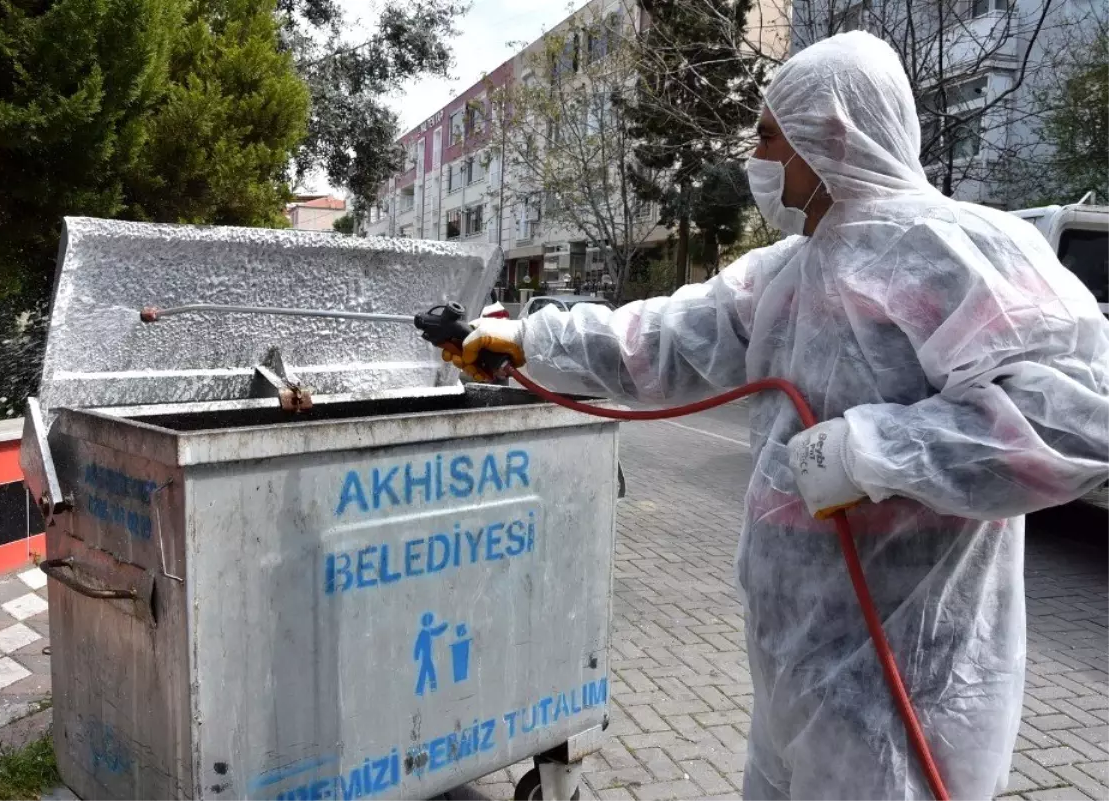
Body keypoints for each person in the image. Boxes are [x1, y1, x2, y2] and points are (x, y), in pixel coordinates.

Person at [437, 31, 1109, 800]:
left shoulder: (963, 250)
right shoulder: (787, 272)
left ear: (832, 131)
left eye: (765, 135)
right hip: (794, 670)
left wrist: (875, 451)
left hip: (910, 686)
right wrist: (518, 338)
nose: (754, 158)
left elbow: (1078, 418)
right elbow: (655, 342)